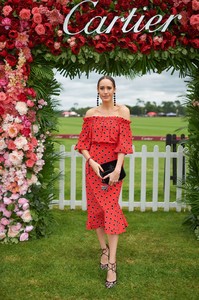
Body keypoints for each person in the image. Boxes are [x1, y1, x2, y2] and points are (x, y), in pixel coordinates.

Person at [75, 75, 133, 288]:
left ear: (115, 89)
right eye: (102, 88)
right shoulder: (91, 114)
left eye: (109, 87)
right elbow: (82, 143)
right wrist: (89, 161)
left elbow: (124, 143)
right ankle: (104, 250)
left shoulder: (123, 112)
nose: (106, 91)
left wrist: (118, 169)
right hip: (93, 168)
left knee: (111, 209)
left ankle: (112, 264)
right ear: (97, 90)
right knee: (97, 210)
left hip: (112, 169)